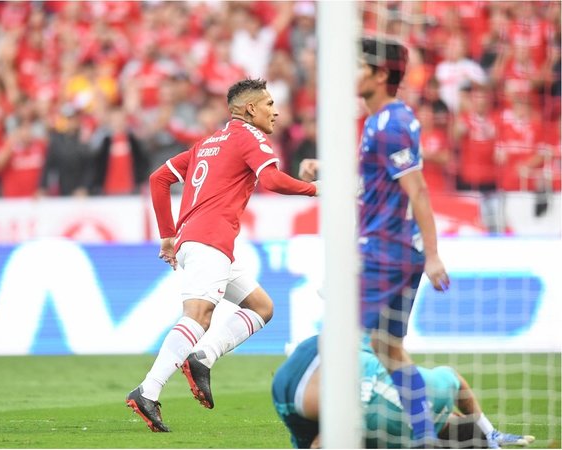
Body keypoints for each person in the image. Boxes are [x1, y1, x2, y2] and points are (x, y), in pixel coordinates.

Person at [126, 78, 318, 432]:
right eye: (269, 104)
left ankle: (202, 358)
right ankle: (147, 391)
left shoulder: (206, 143)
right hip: (210, 241)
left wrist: (168, 235)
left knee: (262, 307)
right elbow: (273, 181)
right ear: (249, 109)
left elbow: (158, 179)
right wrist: (316, 189)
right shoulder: (249, 137)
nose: (275, 112)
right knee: (198, 316)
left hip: (199, 240)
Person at [299, 37, 451, 447]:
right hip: (399, 251)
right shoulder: (383, 120)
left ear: (380, 75)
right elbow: (375, 179)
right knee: (388, 348)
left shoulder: (391, 125)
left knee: (335, 342)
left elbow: (418, 191)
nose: (350, 74)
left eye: (359, 67)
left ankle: (329, 438)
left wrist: (435, 255)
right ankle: (425, 437)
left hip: (384, 252)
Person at [272, 334, 536, 449]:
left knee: (380, 350)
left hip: (320, 351)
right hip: (293, 401)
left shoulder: (437, 391)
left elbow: (455, 379)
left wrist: (490, 432)